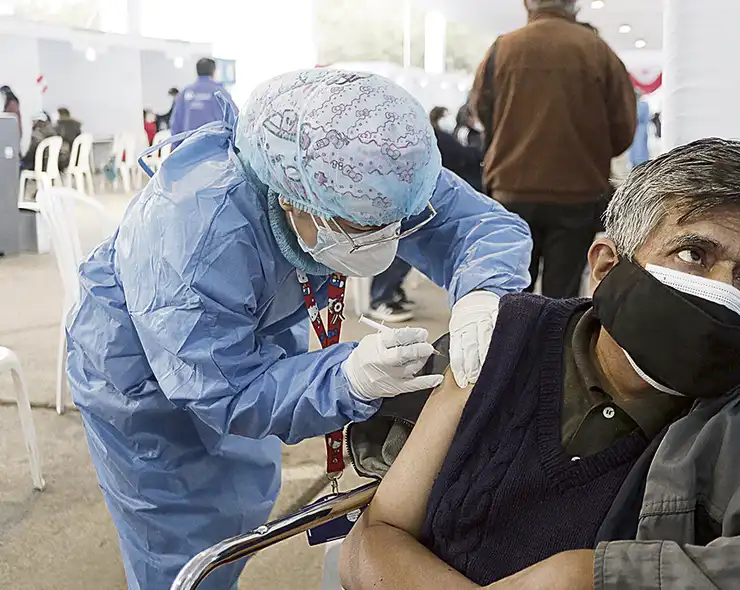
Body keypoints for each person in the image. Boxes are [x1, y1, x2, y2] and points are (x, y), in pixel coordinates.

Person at [340, 139, 740, 590]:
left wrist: (596, 576)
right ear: (606, 265)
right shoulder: (503, 343)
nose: (721, 289)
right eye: (694, 253)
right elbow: (377, 537)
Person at [65, 69, 531, 590]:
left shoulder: (374, 163)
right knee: (177, 532)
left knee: (242, 495)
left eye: (395, 223)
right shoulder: (196, 238)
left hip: (254, 328)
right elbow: (227, 389)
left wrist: (484, 293)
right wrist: (348, 379)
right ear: (292, 200)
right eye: (361, 229)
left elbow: (477, 225)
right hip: (140, 366)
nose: (387, 240)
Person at [472, 0, 636, 298]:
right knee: (561, 298)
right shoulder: (598, 51)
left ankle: (512, 330)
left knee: (509, 291)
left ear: (527, 4)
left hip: (511, 189)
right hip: (578, 191)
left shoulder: (502, 49)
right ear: (573, 5)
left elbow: (482, 111)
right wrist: (590, 152)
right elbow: (623, 129)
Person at [369, 106, 489, 324]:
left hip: (422, 199)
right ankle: (381, 298)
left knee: (407, 252)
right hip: (410, 200)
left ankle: (390, 292)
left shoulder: (429, 137)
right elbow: (466, 156)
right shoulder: (433, 137)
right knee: (400, 250)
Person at [170, 59, 233, 135]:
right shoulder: (220, 92)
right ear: (214, 71)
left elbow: (175, 123)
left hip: (189, 140)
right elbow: (233, 120)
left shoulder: (185, 93)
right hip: (214, 140)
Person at [628, 95, 650, 168]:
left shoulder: (643, 105)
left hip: (640, 129)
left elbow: (639, 117)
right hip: (635, 129)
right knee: (634, 148)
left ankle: (641, 164)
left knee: (640, 148)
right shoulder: (634, 104)